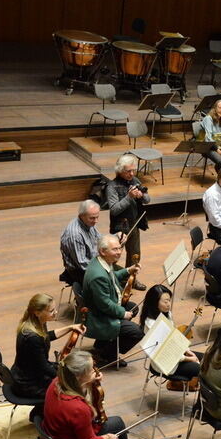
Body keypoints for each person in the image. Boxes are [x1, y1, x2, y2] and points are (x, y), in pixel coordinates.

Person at [81, 234, 143, 368]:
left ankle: (102, 344)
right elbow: (104, 304)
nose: (119, 252)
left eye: (120, 248)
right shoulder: (98, 276)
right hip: (99, 317)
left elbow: (112, 277)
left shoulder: (100, 262)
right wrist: (122, 313)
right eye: (115, 249)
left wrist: (128, 270)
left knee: (133, 307)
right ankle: (107, 355)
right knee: (136, 332)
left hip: (102, 308)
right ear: (103, 251)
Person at [11, 293, 85, 399]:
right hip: (28, 384)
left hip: (28, 372)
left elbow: (47, 336)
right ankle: (46, 412)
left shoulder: (36, 322)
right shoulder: (32, 337)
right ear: (37, 312)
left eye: (55, 309)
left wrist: (70, 327)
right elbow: (44, 367)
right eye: (51, 311)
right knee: (70, 391)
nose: (55, 312)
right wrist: (67, 380)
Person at [138, 284, 201, 381]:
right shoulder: (151, 325)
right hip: (166, 363)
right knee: (202, 369)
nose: (169, 304)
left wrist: (188, 351)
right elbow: (165, 351)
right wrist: (189, 358)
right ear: (155, 303)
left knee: (206, 359)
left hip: (176, 353)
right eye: (165, 301)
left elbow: (174, 336)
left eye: (169, 300)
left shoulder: (167, 313)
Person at [105, 154, 149, 288]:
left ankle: (130, 280)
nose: (132, 173)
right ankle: (110, 281)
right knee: (113, 256)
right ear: (120, 171)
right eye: (128, 171)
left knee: (135, 255)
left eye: (133, 170)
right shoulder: (112, 186)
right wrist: (129, 197)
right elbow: (114, 209)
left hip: (134, 224)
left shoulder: (135, 180)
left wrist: (142, 196)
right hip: (120, 228)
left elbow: (148, 199)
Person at [60, 199, 103, 287]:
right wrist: (103, 267)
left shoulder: (88, 223)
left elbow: (99, 238)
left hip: (92, 261)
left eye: (97, 217)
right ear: (82, 216)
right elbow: (82, 264)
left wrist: (115, 237)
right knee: (107, 282)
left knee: (121, 275)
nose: (96, 221)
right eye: (92, 218)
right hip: (78, 271)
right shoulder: (75, 234)